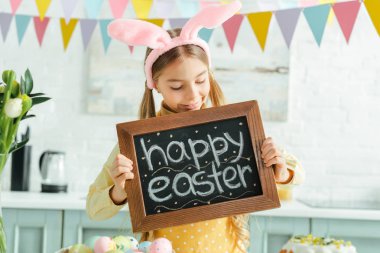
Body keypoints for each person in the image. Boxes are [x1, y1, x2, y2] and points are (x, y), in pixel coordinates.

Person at [86, 1, 304, 253]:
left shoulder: (232, 129)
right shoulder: (139, 142)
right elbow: (94, 209)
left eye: (201, 81)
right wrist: (119, 190)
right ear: (155, 85)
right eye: (177, 87)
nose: (192, 96)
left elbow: (297, 174)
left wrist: (279, 170)